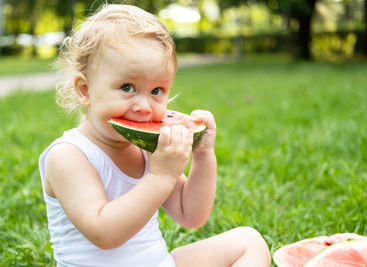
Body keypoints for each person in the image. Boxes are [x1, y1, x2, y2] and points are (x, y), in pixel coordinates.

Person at [38, 4, 271, 267]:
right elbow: (104, 233)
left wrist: (204, 157)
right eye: (127, 87)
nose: (144, 106)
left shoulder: (150, 150)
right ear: (85, 90)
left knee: (249, 242)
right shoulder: (68, 155)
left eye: (157, 90)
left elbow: (190, 215)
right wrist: (160, 176)